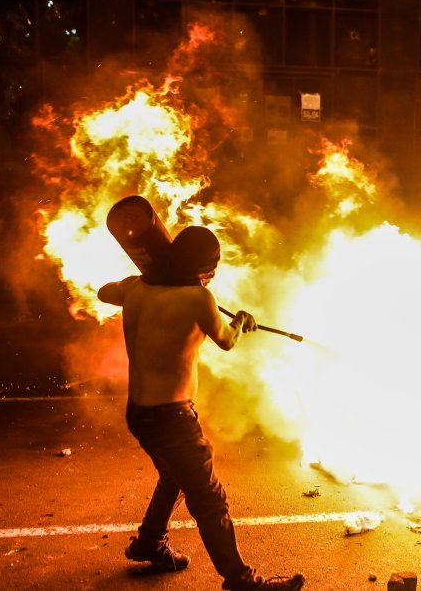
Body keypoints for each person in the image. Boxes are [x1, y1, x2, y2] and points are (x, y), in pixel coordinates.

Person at [98, 221, 305, 591]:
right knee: (210, 501)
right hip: (172, 417)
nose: (211, 277)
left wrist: (140, 277)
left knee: (173, 477)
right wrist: (242, 321)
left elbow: (103, 292)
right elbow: (226, 340)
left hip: (139, 414)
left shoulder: (134, 288)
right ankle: (242, 581)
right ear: (200, 269)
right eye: (210, 270)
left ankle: (149, 544)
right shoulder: (198, 299)